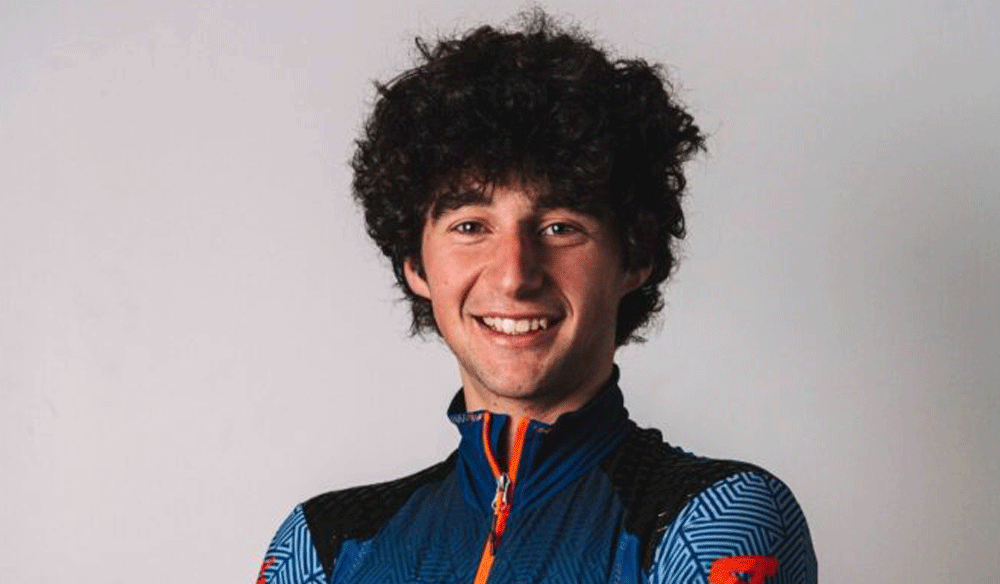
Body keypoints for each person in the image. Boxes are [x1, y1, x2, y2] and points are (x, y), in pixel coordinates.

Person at [256, 11, 817, 584]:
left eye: (559, 227)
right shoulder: (324, 545)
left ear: (634, 257)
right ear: (415, 265)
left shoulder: (711, 521)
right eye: (471, 226)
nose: (514, 276)